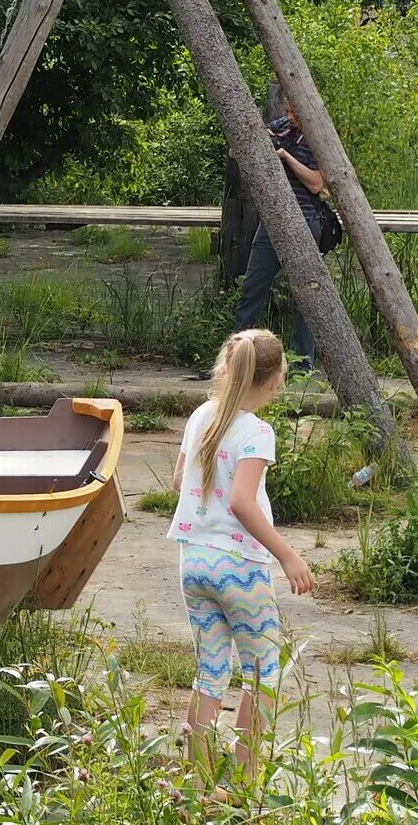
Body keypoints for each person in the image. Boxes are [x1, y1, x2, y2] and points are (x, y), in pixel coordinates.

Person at [169, 328, 316, 799]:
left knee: (210, 669)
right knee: (262, 671)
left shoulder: (200, 417)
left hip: (193, 560)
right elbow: (241, 501)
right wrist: (288, 555)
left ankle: (196, 781)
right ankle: (243, 784)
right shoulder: (256, 431)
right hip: (240, 568)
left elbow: (178, 481)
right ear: (274, 382)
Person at [233, 95, 341, 369]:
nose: (290, 116)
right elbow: (244, 149)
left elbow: (317, 184)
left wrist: (285, 156)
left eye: (295, 112)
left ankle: (301, 366)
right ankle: (237, 360)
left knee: (305, 297)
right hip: (271, 222)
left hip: (304, 221)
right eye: (288, 110)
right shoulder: (281, 126)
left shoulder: (320, 138)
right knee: (251, 289)